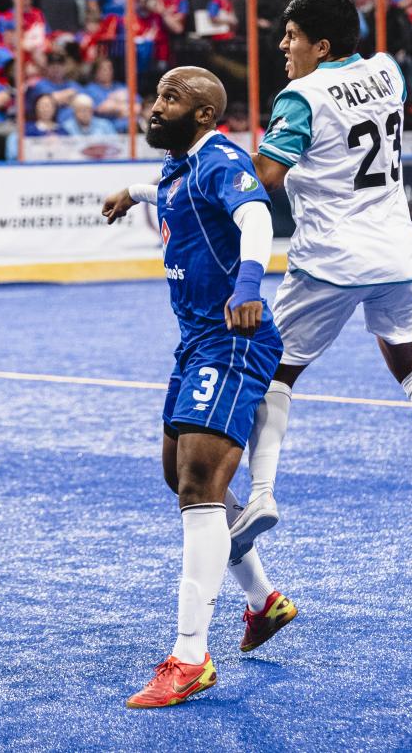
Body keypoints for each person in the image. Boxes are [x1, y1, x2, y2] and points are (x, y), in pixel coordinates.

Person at [109, 0, 412, 549]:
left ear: (322, 45)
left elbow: (259, 180)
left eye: (292, 37)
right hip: (397, 252)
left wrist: (178, 175)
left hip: (331, 258)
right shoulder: (389, 71)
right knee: (408, 361)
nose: (283, 46)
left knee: (269, 372)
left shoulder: (300, 98)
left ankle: (260, 495)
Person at [101, 66, 292, 708]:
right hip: (194, 342)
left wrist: (248, 284)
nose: (156, 107)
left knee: (198, 484)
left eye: (171, 99)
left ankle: (191, 657)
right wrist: (131, 191)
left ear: (205, 115)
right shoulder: (182, 165)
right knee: (176, 476)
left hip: (231, 336)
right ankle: (263, 601)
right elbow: (165, 190)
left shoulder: (219, 160)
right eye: (156, 96)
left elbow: (256, 217)